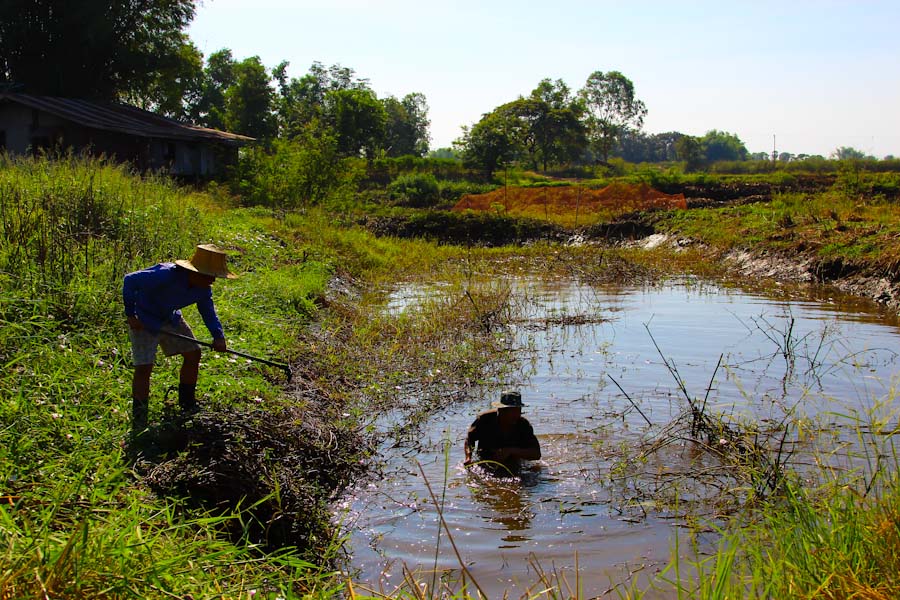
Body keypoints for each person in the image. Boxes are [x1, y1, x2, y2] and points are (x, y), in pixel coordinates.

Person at [123, 244, 236, 432]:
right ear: (196, 272)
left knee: (193, 354)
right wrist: (131, 315)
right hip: (144, 319)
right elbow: (130, 280)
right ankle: (140, 418)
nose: (213, 281)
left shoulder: (203, 289)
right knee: (144, 367)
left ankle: (187, 403)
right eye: (210, 276)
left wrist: (218, 336)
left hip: (169, 318)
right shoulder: (164, 275)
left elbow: (208, 312)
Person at [464, 390, 541, 472]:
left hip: (513, 463)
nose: (516, 414)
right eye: (512, 411)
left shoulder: (523, 425)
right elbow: (469, 439)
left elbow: (536, 454)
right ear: (501, 410)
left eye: (518, 410)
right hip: (486, 461)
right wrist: (468, 457)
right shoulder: (485, 420)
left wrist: (510, 451)